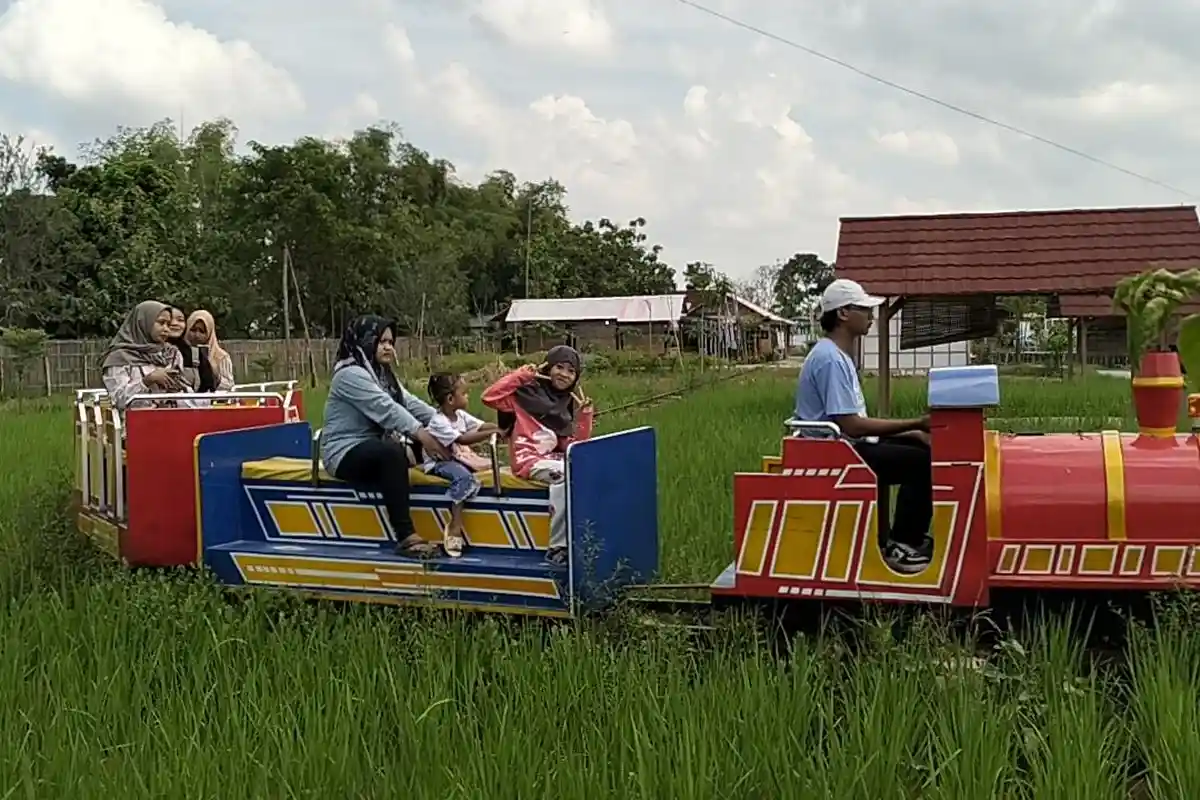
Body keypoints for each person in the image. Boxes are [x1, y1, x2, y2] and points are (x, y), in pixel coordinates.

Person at [793, 278, 933, 575]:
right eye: (864, 310)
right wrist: (918, 422)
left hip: (846, 445)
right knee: (922, 463)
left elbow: (855, 423)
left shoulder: (836, 355)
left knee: (920, 447)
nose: (871, 316)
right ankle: (902, 544)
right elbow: (852, 425)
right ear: (843, 314)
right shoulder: (830, 359)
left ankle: (902, 538)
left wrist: (914, 433)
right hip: (835, 452)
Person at [319, 315, 453, 558]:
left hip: (373, 445)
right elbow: (386, 409)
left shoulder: (382, 374)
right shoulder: (350, 374)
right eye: (381, 341)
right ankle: (405, 536)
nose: (388, 347)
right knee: (392, 454)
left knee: (432, 447)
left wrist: (448, 428)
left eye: (391, 342)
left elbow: (409, 403)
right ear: (365, 342)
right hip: (344, 451)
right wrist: (423, 435)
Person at [481, 345, 593, 566]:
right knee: (566, 475)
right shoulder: (523, 394)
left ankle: (587, 539)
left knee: (591, 469)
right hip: (527, 459)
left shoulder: (564, 403)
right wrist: (521, 376)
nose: (564, 374)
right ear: (547, 367)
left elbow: (574, 446)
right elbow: (489, 397)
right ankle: (558, 547)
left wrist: (584, 417)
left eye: (571, 371)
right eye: (559, 367)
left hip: (553, 459)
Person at [424, 372, 501, 557]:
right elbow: (464, 439)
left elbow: (482, 426)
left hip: (458, 457)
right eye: (464, 393)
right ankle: (455, 525)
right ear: (451, 399)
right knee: (463, 477)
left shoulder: (460, 415)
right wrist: (496, 430)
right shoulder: (438, 422)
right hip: (440, 462)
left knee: (492, 466)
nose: (468, 395)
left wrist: (504, 426)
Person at [100, 300, 196, 411]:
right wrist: (148, 380)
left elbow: (185, 394)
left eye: (168, 324)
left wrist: (178, 389)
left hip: (172, 419)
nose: (166, 329)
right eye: (161, 323)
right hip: (134, 423)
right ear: (144, 322)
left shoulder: (172, 354)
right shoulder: (120, 357)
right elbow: (119, 400)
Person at [184, 310, 235, 392]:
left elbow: (229, 386)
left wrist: (215, 375)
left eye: (202, 331)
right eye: (193, 330)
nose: (197, 335)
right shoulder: (178, 353)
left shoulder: (221, 357)